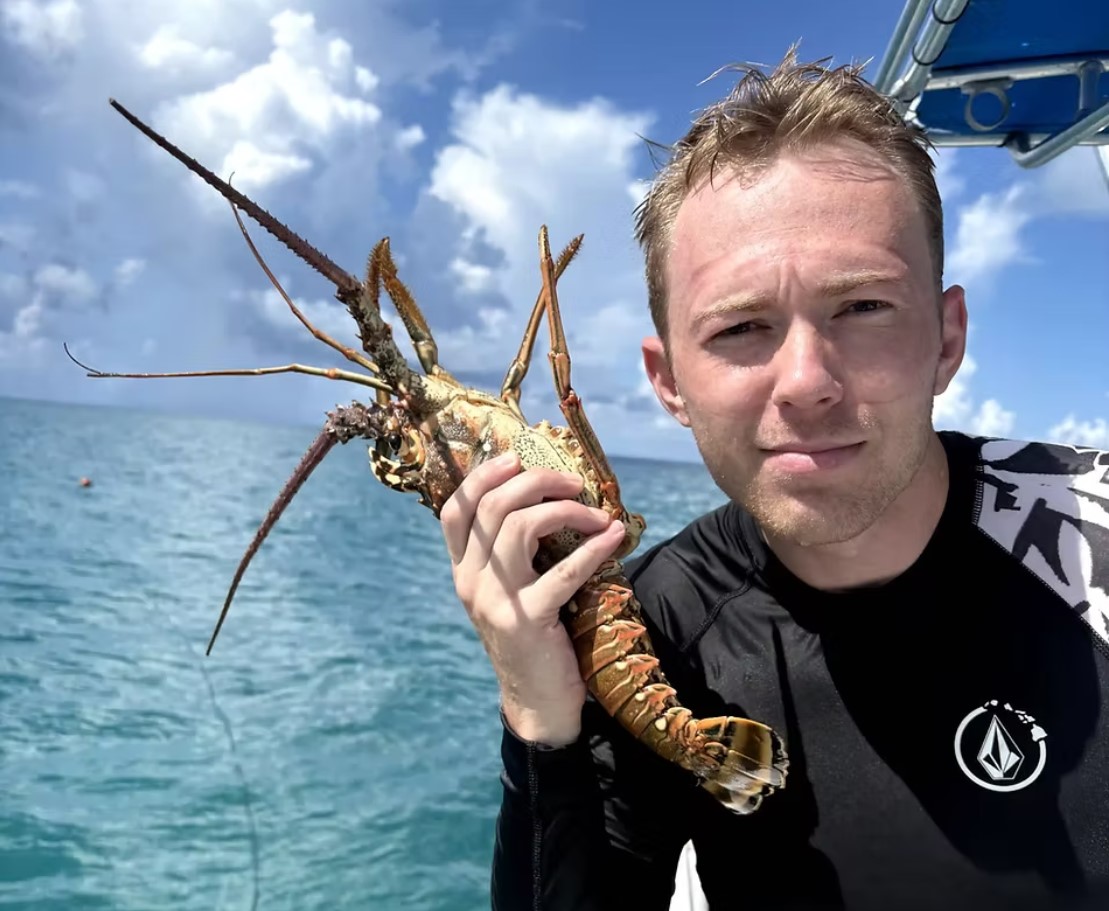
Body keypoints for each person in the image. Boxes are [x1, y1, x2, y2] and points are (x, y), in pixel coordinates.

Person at [438, 49, 1109, 910]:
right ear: (668, 381)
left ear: (946, 340)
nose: (805, 380)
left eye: (862, 306)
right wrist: (536, 713)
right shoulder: (652, 634)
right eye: (741, 327)